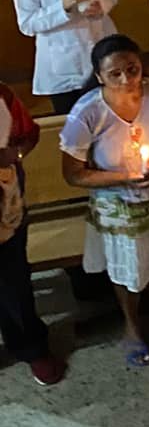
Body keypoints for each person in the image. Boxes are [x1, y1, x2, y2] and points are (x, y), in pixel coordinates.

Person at [60, 36, 149, 367]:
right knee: (128, 269)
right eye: (115, 74)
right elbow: (73, 174)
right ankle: (132, 325)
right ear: (99, 76)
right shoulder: (87, 113)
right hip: (119, 203)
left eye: (132, 69)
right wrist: (123, 177)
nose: (127, 79)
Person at [0, 74, 64, 384]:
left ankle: (31, 346)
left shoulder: (2, 95)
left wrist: (15, 154)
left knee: (13, 280)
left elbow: (28, 135)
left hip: (4, 209)